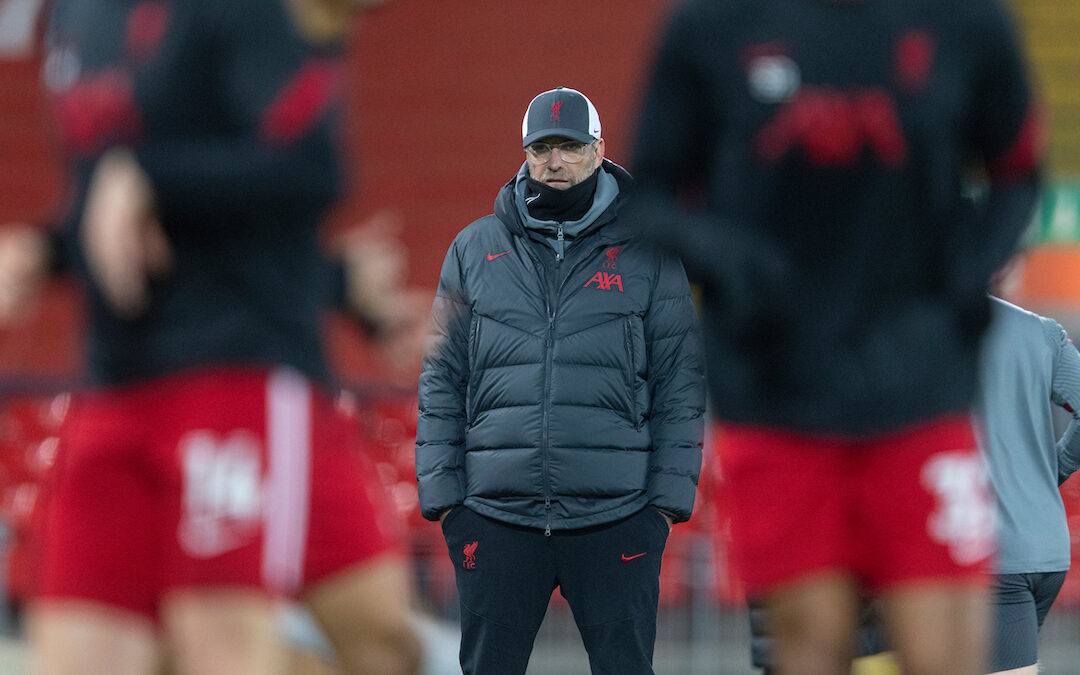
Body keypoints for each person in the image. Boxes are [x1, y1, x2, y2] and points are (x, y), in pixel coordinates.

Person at [0, 0, 423, 673]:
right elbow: (106, 197)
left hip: (236, 371)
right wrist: (42, 250)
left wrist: (155, 180)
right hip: (117, 379)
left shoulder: (239, 12)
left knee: (363, 643)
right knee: (94, 655)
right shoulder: (74, 18)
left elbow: (311, 166)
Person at [627, 1, 1044, 674]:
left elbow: (1018, 170)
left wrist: (964, 280)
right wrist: (732, 264)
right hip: (778, 392)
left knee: (947, 656)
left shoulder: (965, 21)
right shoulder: (710, 26)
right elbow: (648, 197)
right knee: (810, 647)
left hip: (919, 386)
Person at [415, 86, 705, 675]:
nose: (555, 161)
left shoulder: (648, 252)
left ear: (599, 151)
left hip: (617, 514)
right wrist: (447, 504)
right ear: (524, 155)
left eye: (569, 146)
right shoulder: (473, 249)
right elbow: (441, 377)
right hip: (496, 517)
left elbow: (681, 381)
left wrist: (664, 507)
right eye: (542, 147)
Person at [975, 296, 1080, 674]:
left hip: (994, 554)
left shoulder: (931, 329)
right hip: (1047, 549)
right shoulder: (1040, 330)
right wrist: (1052, 470)